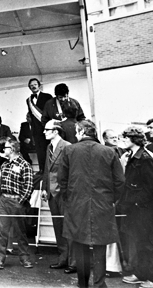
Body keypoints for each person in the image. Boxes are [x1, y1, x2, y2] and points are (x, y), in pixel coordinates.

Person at [58, 119, 125, 288]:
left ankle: (83, 284)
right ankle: (100, 283)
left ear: (80, 132)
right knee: (100, 247)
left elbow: (62, 180)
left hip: (76, 206)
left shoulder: (69, 151)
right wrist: (110, 199)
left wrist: (70, 200)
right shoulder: (110, 152)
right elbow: (120, 181)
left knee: (80, 245)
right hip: (103, 205)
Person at [118, 127, 153, 287]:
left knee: (145, 243)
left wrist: (138, 202)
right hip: (135, 207)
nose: (123, 141)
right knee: (139, 242)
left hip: (143, 209)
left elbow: (150, 186)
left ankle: (150, 278)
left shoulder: (144, 159)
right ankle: (141, 274)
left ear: (134, 139)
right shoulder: (133, 156)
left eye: (126, 138)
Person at [0, 137, 34, 270]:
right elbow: (1, 183)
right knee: (2, 232)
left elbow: (29, 186)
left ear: (12, 149)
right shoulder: (4, 165)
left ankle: (25, 259)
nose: (3, 150)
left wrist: (20, 201)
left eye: (5, 147)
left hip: (17, 201)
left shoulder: (24, 165)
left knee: (20, 232)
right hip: (3, 201)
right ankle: (0, 259)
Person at [41, 120, 76, 273]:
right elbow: (46, 170)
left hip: (64, 193)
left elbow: (73, 171)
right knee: (58, 227)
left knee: (69, 228)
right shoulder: (49, 147)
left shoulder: (67, 146)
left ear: (56, 131)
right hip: (51, 193)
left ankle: (73, 262)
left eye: (47, 130)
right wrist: (44, 188)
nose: (44, 132)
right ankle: (63, 259)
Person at [25, 78, 53, 173]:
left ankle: (50, 169)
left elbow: (51, 112)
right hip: (36, 130)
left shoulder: (47, 96)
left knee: (49, 149)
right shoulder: (28, 100)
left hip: (47, 128)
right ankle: (42, 169)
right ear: (29, 87)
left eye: (35, 84)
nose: (33, 86)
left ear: (39, 85)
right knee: (40, 151)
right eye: (31, 85)